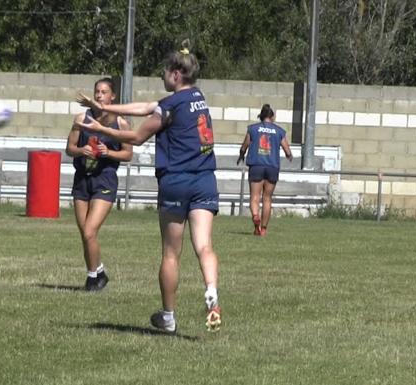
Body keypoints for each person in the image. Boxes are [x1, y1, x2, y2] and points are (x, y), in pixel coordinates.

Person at [77, 40, 222, 333]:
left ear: (176, 74)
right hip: (205, 179)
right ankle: (211, 290)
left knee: (171, 254)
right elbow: (146, 107)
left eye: (165, 72)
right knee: (204, 245)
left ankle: (168, 317)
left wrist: (101, 127)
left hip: (176, 181)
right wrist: (103, 106)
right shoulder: (197, 96)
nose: (162, 76)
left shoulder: (170, 107)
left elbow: (137, 137)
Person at [66, 77, 133, 291]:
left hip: (104, 178)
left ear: (112, 96)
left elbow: (128, 154)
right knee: (84, 233)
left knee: (89, 231)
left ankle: (92, 278)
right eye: (97, 91)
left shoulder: (120, 122)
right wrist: (80, 150)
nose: (99, 95)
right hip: (82, 178)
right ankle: (100, 272)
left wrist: (108, 152)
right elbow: (69, 148)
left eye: (104, 92)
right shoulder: (81, 118)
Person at [237, 104, 293, 236]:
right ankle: (263, 229)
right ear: (272, 116)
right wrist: (289, 156)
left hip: (256, 165)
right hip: (272, 166)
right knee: (267, 198)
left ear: (261, 116)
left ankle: (255, 215)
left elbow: (245, 145)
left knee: (255, 197)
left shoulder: (253, 129)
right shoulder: (279, 131)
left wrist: (241, 155)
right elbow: (287, 150)